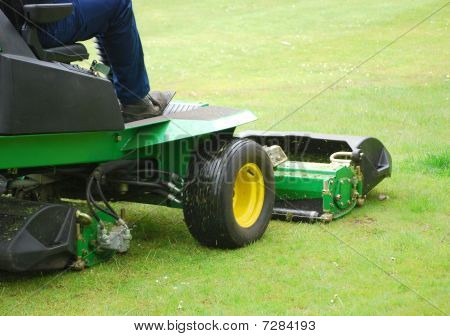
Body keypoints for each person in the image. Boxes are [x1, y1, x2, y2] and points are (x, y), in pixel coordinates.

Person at [0, 0, 174, 122]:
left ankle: (120, 91)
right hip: (36, 23)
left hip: (14, 23)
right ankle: (136, 102)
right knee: (118, 5)